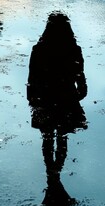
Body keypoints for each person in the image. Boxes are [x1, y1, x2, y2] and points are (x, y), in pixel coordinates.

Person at [27, 12, 88, 173]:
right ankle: (57, 169)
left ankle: (50, 170)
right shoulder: (73, 49)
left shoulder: (39, 49)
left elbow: (32, 75)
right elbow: (79, 73)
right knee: (62, 135)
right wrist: (81, 90)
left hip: (45, 96)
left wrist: (31, 96)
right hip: (66, 96)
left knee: (47, 136)